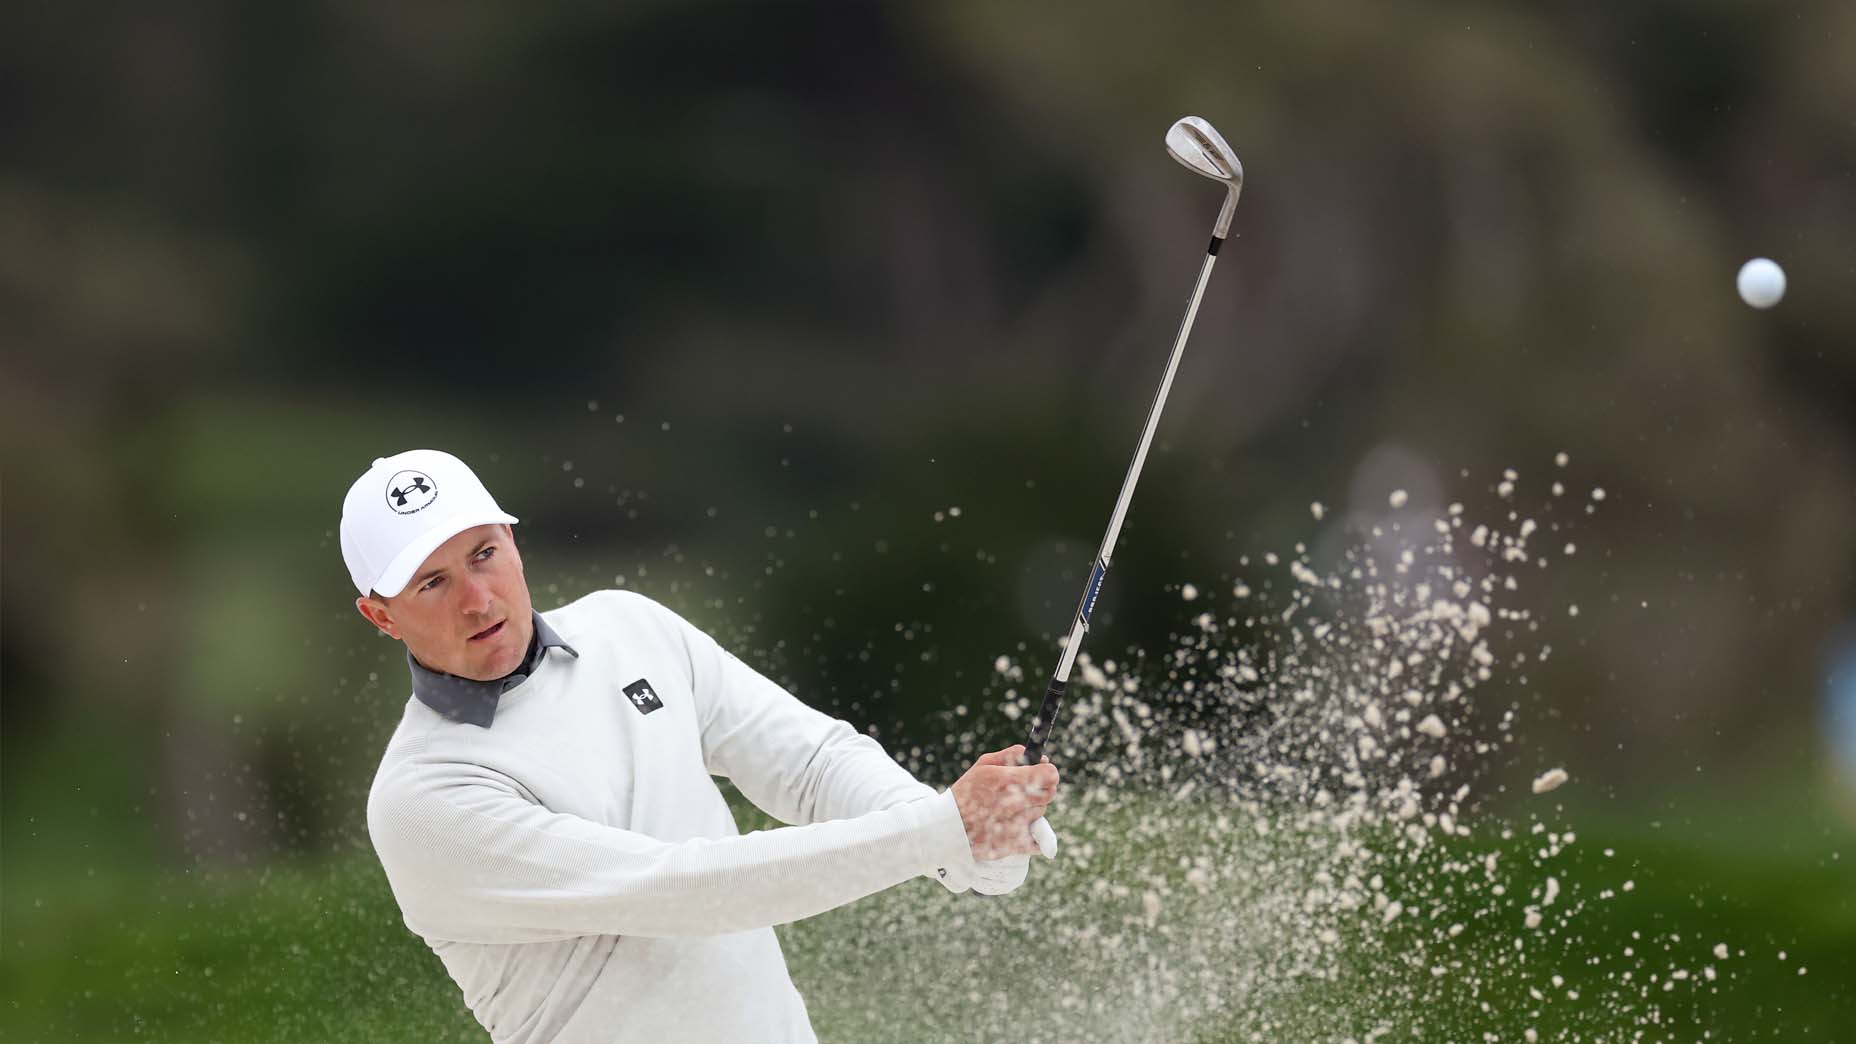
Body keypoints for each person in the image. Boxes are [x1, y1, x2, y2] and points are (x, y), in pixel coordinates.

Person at [342, 448, 1060, 1044]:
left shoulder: (629, 627)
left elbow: (812, 763)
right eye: (433, 582)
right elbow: (682, 890)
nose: (478, 598)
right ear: (380, 615)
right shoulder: (424, 795)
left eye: (484, 554)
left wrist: (966, 847)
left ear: (512, 538)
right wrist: (940, 827)